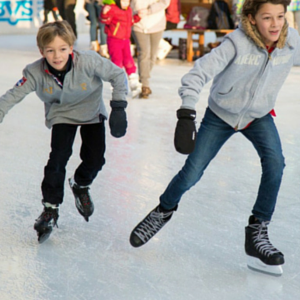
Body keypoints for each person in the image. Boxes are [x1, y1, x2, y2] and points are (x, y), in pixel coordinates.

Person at [130, 0, 299, 276]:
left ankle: (257, 231)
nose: (275, 24)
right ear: (252, 18)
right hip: (221, 115)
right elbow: (198, 73)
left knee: (276, 164)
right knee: (192, 173)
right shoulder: (236, 42)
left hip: (258, 116)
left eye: (280, 16)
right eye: (267, 17)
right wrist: (186, 113)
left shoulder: (290, 41)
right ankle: (163, 209)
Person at [0, 21, 128, 243]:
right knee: (57, 159)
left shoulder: (88, 61)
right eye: (50, 50)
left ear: (71, 47)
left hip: (91, 112)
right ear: (42, 51)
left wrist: (118, 106)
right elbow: (13, 95)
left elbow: (118, 75)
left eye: (62, 49)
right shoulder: (34, 72)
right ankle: (50, 208)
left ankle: (80, 183)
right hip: (61, 114)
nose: (57, 56)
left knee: (95, 159)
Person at [100, 0, 142, 98]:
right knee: (117, 62)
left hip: (125, 40)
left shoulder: (128, 10)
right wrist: (104, 13)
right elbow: (105, 20)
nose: (126, 3)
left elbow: (129, 22)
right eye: (123, 1)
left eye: (127, 1)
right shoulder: (112, 9)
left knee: (129, 60)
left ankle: (133, 82)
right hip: (114, 40)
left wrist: (137, 17)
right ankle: (117, 84)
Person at [130, 0, 171, 99]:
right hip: (138, 22)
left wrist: (149, 10)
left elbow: (165, 2)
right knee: (144, 53)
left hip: (156, 23)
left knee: (152, 56)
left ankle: (144, 79)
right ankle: (145, 85)